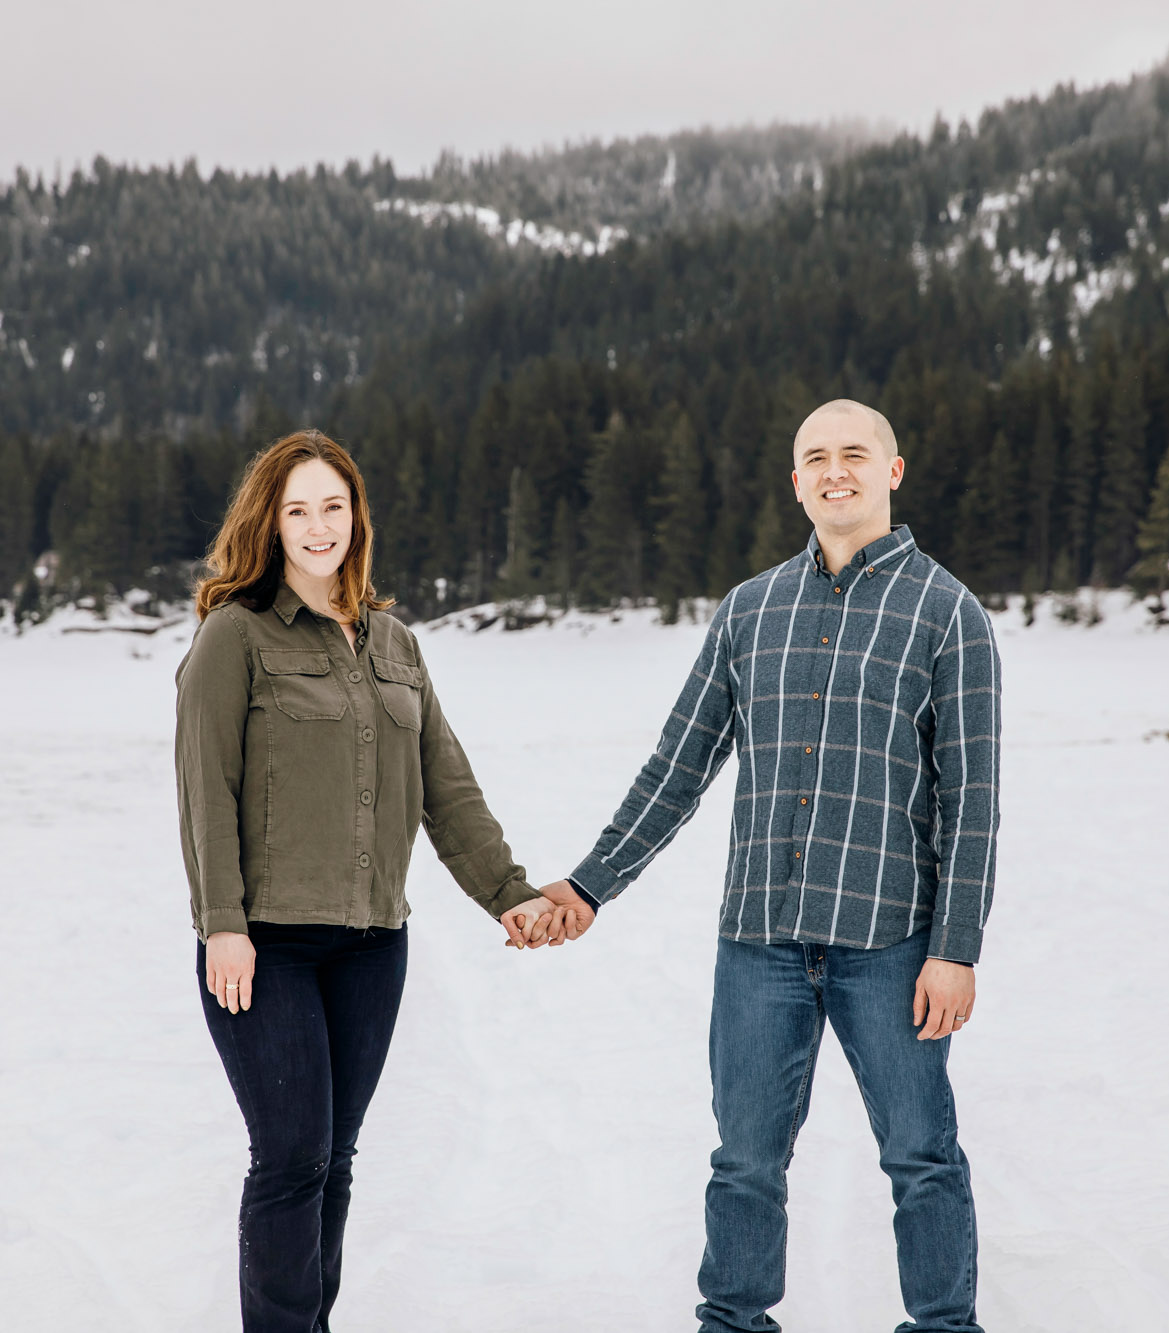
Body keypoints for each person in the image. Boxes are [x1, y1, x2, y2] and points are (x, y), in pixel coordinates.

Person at [532, 399, 1000, 1333]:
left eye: (855, 454)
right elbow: (678, 766)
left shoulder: (950, 615)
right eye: (815, 458)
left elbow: (972, 802)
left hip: (891, 944)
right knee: (745, 1161)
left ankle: (945, 1327)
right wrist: (588, 883)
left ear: (893, 471)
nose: (836, 471)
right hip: (761, 944)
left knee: (923, 1155)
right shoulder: (749, 610)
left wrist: (956, 948)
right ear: (795, 481)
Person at [174, 429, 558, 1333]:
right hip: (265, 945)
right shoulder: (235, 637)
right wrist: (221, 921)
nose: (318, 526)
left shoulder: (394, 643)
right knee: (290, 1155)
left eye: (333, 506)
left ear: (357, 517)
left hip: (373, 944)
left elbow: (446, 785)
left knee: (333, 1157)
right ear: (270, 522)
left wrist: (510, 890)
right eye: (297, 509)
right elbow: (204, 789)